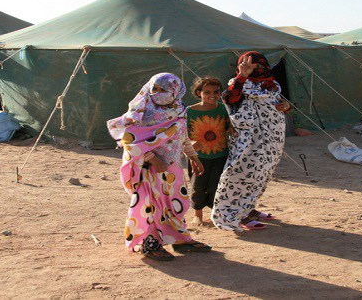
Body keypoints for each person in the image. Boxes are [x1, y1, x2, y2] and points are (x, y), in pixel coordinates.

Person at [107, 72, 212, 261]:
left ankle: (179, 238)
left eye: (163, 90)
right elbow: (130, 141)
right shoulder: (141, 112)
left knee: (175, 202)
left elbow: (182, 136)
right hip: (148, 169)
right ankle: (149, 243)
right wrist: (152, 159)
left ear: (175, 92)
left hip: (171, 166)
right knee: (150, 205)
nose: (156, 93)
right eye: (154, 88)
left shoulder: (179, 109)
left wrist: (193, 157)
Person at [211, 51, 290, 232]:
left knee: (263, 173)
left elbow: (277, 103)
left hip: (272, 139)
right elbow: (229, 99)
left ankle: (248, 207)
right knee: (243, 174)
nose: (257, 70)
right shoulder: (238, 83)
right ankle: (235, 215)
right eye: (251, 66)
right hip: (248, 140)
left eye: (259, 66)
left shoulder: (272, 84)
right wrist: (242, 76)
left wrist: (286, 106)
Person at [186, 76, 231, 226]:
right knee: (198, 185)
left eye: (216, 92)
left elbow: (228, 126)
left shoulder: (223, 109)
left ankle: (215, 213)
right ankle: (197, 214)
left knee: (216, 185)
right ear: (199, 93)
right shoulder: (190, 112)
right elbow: (182, 134)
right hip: (199, 156)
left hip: (220, 154)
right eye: (207, 92)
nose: (212, 95)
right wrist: (191, 143)